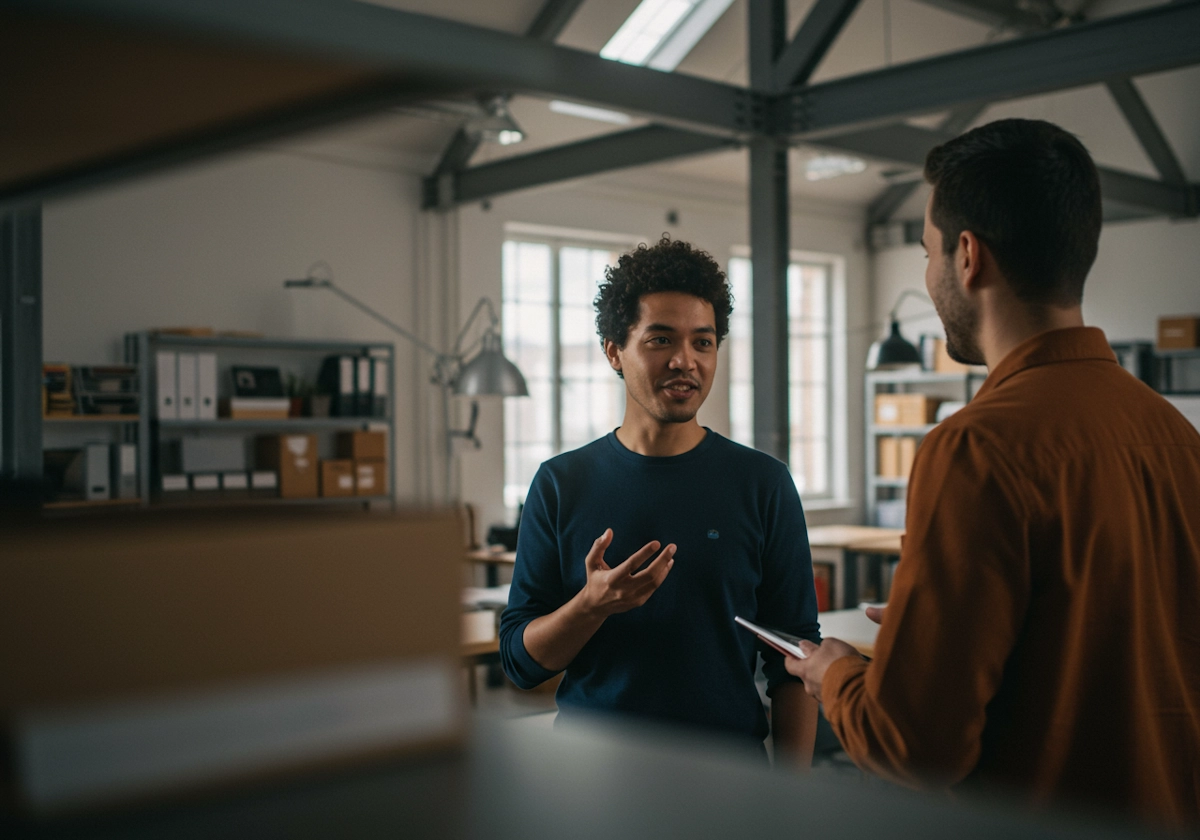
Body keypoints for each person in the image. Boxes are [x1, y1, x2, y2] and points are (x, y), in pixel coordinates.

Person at [786, 119, 1200, 827]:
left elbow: (914, 747)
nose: (929, 272)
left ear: (968, 256)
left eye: (926, 251)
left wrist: (836, 676)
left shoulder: (976, 448)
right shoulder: (1174, 435)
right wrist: (934, 633)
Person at [500, 236, 820, 764]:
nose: (684, 361)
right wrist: (590, 606)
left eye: (703, 342)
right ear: (614, 352)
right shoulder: (561, 483)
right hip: (592, 777)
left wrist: (793, 803)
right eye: (660, 340)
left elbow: (794, 655)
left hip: (729, 781)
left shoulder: (762, 483)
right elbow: (521, 663)